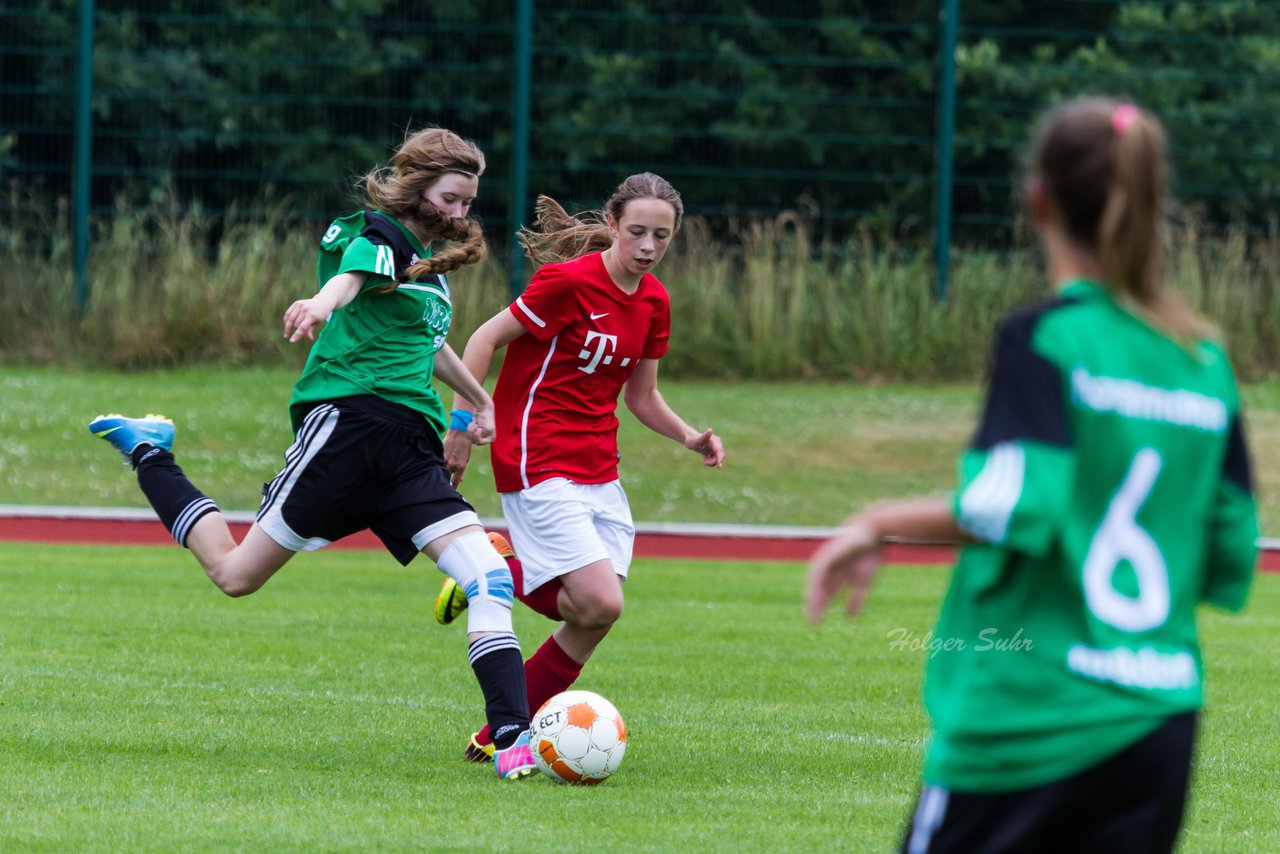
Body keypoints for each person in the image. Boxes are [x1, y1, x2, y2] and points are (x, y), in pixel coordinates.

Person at [806, 97, 1258, 853]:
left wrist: (877, 521)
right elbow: (1230, 547)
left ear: (1036, 199)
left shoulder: (1044, 337)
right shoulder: (1205, 363)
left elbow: (1015, 502)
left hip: (1027, 719)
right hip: (1160, 727)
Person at [88, 127, 539, 780]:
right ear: (418, 191)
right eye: (451, 198)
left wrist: (479, 397)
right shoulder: (382, 236)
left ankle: (512, 738)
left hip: (410, 451)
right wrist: (319, 302)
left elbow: (428, 341)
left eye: (468, 202)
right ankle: (152, 451)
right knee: (236, 575)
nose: (460, 214)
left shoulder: (422, 273)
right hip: (349, 430)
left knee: (490, 577)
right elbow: (353, 276)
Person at [436, 173, 726, 762]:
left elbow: (641, 397)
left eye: (661, 236)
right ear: (613, 226)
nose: (648, 246)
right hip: (534, 451)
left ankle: (497, 735)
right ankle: (492, 570)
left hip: (599, 465)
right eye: (638, 231)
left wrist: (689, 436)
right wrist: (462, 426)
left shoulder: (654, 301)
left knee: (589, 618)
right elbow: (484, 339)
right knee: (602, 602)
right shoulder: (567, 283)